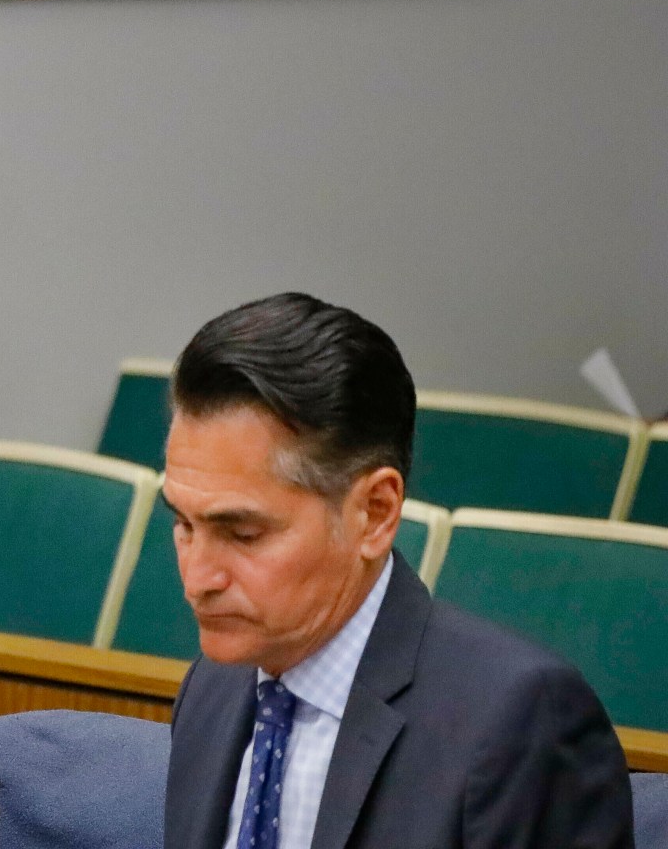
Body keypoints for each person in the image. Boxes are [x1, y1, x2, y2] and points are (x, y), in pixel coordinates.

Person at [159, 293, 633, 849]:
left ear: (375, 513)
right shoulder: (214, 687)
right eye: (184, 526)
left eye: (243, 534)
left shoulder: (519, 724)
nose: (197, 579)